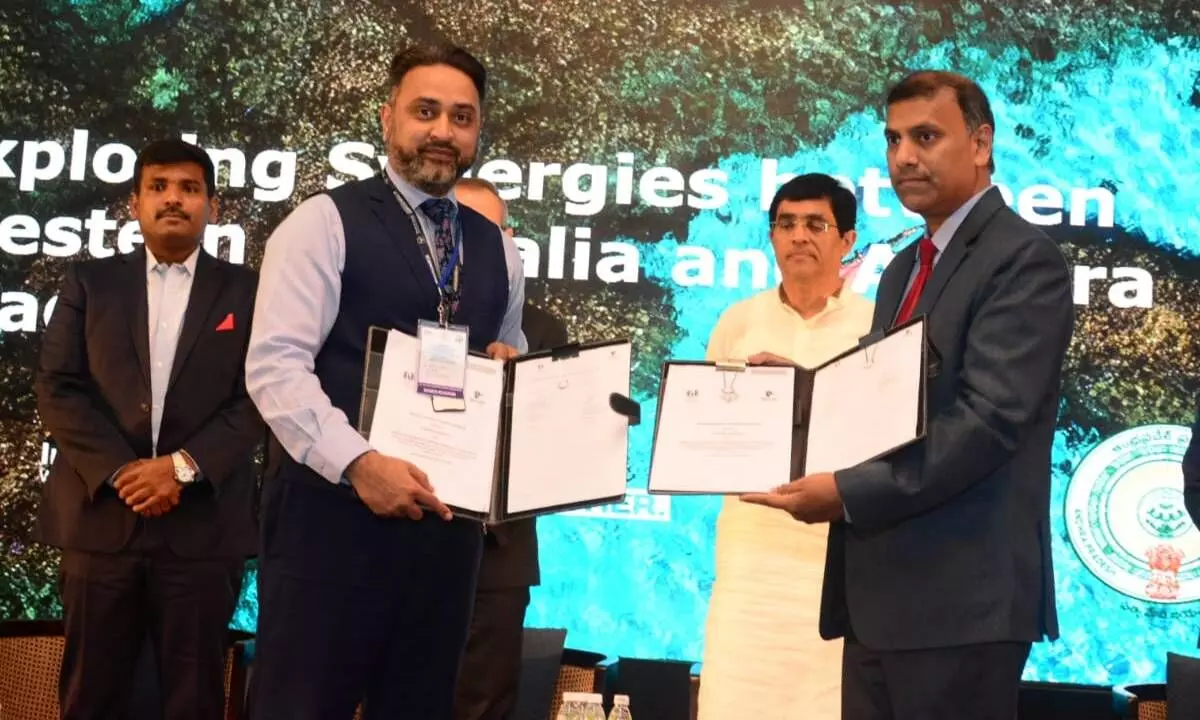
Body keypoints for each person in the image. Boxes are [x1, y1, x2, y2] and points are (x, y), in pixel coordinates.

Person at [743, 71, 1075, 720]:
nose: (903, 157)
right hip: (880, 600)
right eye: (893, 139)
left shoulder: (1022, 260)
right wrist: (804, 393)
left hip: (961, 601)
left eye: (926, 136)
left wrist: (848, 493)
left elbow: (989, 421)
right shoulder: (904, 267)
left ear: (981, 144)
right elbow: (885, 403)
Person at [244, 43, 527, 720]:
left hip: (445, 540)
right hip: (330, 530)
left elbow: (508, 354)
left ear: (477, 132)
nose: (443, 131)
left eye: (462, 117)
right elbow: (275, 365)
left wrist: (511, 377)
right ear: (387, 118)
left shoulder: (500, 250)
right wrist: (360, 464)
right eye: (425, 111)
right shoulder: (321, 223)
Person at [34, 139, 262, 720]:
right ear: (134, 203)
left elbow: (259, 395)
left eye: (189, 189)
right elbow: (58, 386)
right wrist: (122, 473)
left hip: (202, 530)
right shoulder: (89, 283)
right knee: (92, 696)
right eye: (158, 187)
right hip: (101, 523)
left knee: (195, 699)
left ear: (213, 205)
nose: (173, 200)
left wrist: (180, 469)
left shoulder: (248, 291)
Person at [696, 173, 873, 720]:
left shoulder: (876, 325)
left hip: (835, 554)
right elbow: (705, 423)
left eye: (816, 224)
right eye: (786, 224)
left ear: (846, 241)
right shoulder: (739, 321)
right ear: (772, 237)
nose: (799, 236)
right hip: (750, 556)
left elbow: (884, 438)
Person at [452, 177, 569, 720]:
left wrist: (518, 391)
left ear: (510, 238)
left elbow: (561, 446)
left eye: (488, 230)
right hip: (403, 541)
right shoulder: (405, 311)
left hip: (499, 555)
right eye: (457, 227)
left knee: (485, 703)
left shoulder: (542, 329)